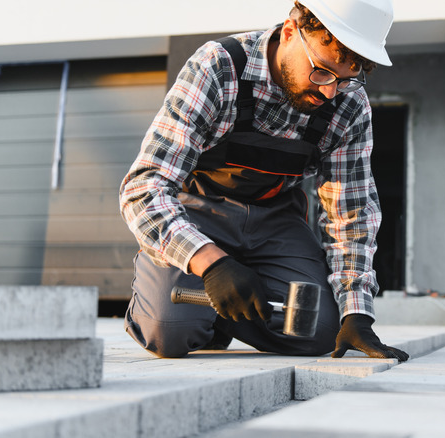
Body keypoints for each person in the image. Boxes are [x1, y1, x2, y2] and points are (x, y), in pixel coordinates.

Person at [119, 0, 408, 362]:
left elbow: (350, 216)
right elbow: (143, 188)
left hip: (275, 221)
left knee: (319, 332)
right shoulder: (218, 68)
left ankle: (222, 312)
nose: (330, 92)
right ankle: (188, 307)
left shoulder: (349, 106)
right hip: (198, 214)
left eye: (346, 79)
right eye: (321, 72)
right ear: (290, 32)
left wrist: (357, 314)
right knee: (169, 332)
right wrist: (211, 263)